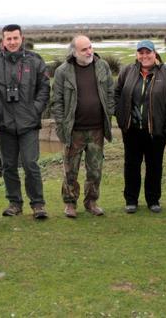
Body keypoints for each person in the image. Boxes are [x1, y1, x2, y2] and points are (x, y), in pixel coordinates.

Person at [0, 24, 51, 219]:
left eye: (15, 38)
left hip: (29, 124)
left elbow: (44, 89)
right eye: (8, 39)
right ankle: (14, 203)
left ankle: (38, 204)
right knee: (9, 166)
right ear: (2, 41)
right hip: (5, 125)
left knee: (31, 164)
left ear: (22, 38)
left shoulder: (35, 60)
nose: (12, 42)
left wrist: (35, 110)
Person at [51, 35, 114, 218]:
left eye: (90, 47)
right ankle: (70, 204)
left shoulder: (103, 66)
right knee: (71, 170)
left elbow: (110, 91)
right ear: (74, 52)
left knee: (95, 170)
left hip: (97, 130)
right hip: (74, 131)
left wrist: (108, 112)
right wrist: (62, 127)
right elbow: (57, 102)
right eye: (84, 49)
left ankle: (91, 202)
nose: (89, 52)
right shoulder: (63, 71)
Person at [115, 40, 166, 213]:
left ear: (155, 53)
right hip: (132, 129)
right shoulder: (127, 71)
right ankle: (131, 200)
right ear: (137, 54)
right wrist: (121, 116)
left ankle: (153, 200)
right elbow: (116, 93)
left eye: (147, 52)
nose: (144, 56)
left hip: (157, 130)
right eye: (141, 53)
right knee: (131, 166)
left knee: (154, 166)